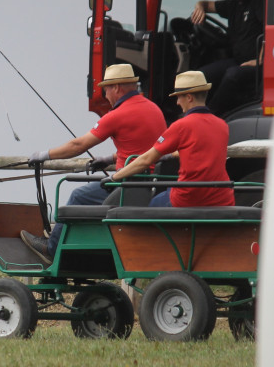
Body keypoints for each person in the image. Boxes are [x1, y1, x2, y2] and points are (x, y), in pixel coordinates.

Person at [20, 63, 167, 263]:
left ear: (116, 88)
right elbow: (145, 148)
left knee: (78, 195)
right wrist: (111, 159)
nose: (105, 95)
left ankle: (52, 249)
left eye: (106, 89)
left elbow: (78, 145)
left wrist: (45, 154)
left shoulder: (117, 115)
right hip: (149, 184)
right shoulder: (154, 109)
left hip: (128, 185)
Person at [106, 70, 235, 208]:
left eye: (179, 97)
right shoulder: (223, 126)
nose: (178, 103)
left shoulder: (181, 126)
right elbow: (199, 152)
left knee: (154, 203)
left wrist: (115, 177)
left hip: (189, 198)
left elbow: (145, 160)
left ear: (189, 97)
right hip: (222, 197)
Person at [191, 0, 264, 116]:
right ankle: (191, 112)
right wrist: (199, 8)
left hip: (256, 63)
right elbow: (205, 4)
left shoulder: (260, 1)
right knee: (200, 76)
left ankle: (209, 115)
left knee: (232, 75)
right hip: (237, 60)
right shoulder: (232, 5)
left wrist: (260, 60)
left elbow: (271, 32)